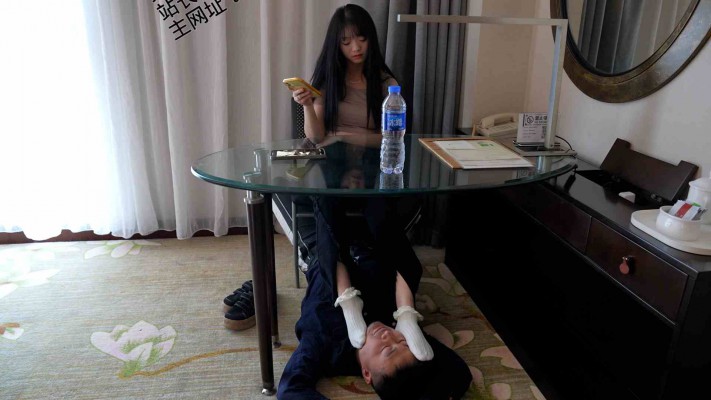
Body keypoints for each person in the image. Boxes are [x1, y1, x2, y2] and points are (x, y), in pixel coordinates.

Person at [277, 194, 473, 400]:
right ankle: (405, 312)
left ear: (367, 374)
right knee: (392, 208)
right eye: (403, 342)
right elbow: (459, 374)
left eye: (387, 349)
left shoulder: (323, 346)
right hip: (369, 238)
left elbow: (290, 389)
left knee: (318, 197)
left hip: (318, 238)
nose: (390, 336)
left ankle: (347, 299)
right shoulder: (398, 331)